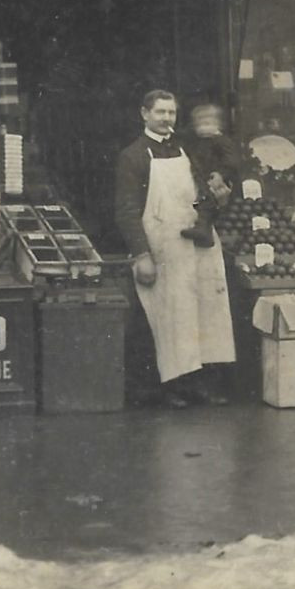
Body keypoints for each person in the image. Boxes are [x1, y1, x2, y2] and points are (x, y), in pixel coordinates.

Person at [114, 89, 235, 407]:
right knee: (166, 318)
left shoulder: (187, 149)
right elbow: (126, 210)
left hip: (196, 243)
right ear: (144, 114)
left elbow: (205, 190)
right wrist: (142, 254)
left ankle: (197, 385)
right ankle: (164, 389)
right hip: (162, 249)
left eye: (171, 113)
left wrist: (219, 196)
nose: (167, 118)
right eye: (160, 112)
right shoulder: (133, 156)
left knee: (201, 315)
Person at [180, 103, 245, 249]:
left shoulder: (221, 141)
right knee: (201, 203)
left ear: (218, 125)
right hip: (202, 179)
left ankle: (204, 231)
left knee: (208, 204)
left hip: (217, 179)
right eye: (200, 123)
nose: (203, 127)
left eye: (208, 123)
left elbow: (232, 161)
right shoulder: (197, 142)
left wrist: (221, 174)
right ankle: (203, 230)